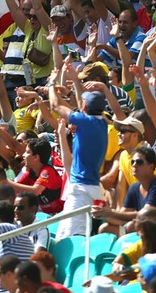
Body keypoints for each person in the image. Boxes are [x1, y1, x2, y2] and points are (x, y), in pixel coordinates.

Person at [49, 67, 108, 239]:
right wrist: (75, 80)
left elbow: (55, 105)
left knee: (71, 236)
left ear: (84, 107)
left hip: (82, 191)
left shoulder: (85, 122)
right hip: (86, 187)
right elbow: (85, 104)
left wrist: (52, 82)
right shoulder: (102, 122)